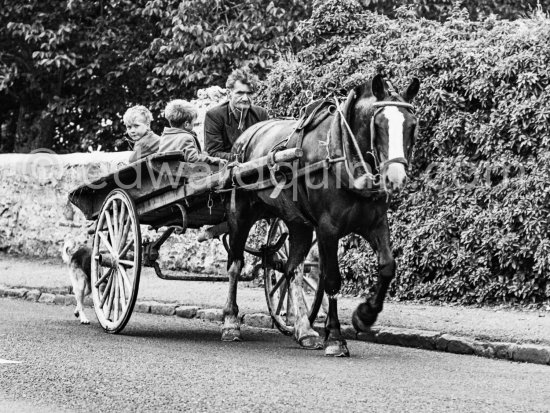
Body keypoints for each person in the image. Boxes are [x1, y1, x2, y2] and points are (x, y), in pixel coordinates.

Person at [204, 67, 269, 161]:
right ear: (228, 94)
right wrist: (245, 158)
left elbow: (267, 145)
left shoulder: (261, 114)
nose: (245, 98)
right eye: (240, 93)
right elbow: (213, 153)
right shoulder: (214, 116)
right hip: (225, 169)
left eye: (249, 93)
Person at [159, 99, 225, 165]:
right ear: (186, 124)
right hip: (185, 173)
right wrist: (217, 160)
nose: (194, 124)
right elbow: (193, 158)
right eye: (194, 122)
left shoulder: (164, 137)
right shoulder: (186, 138)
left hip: (167, 171)